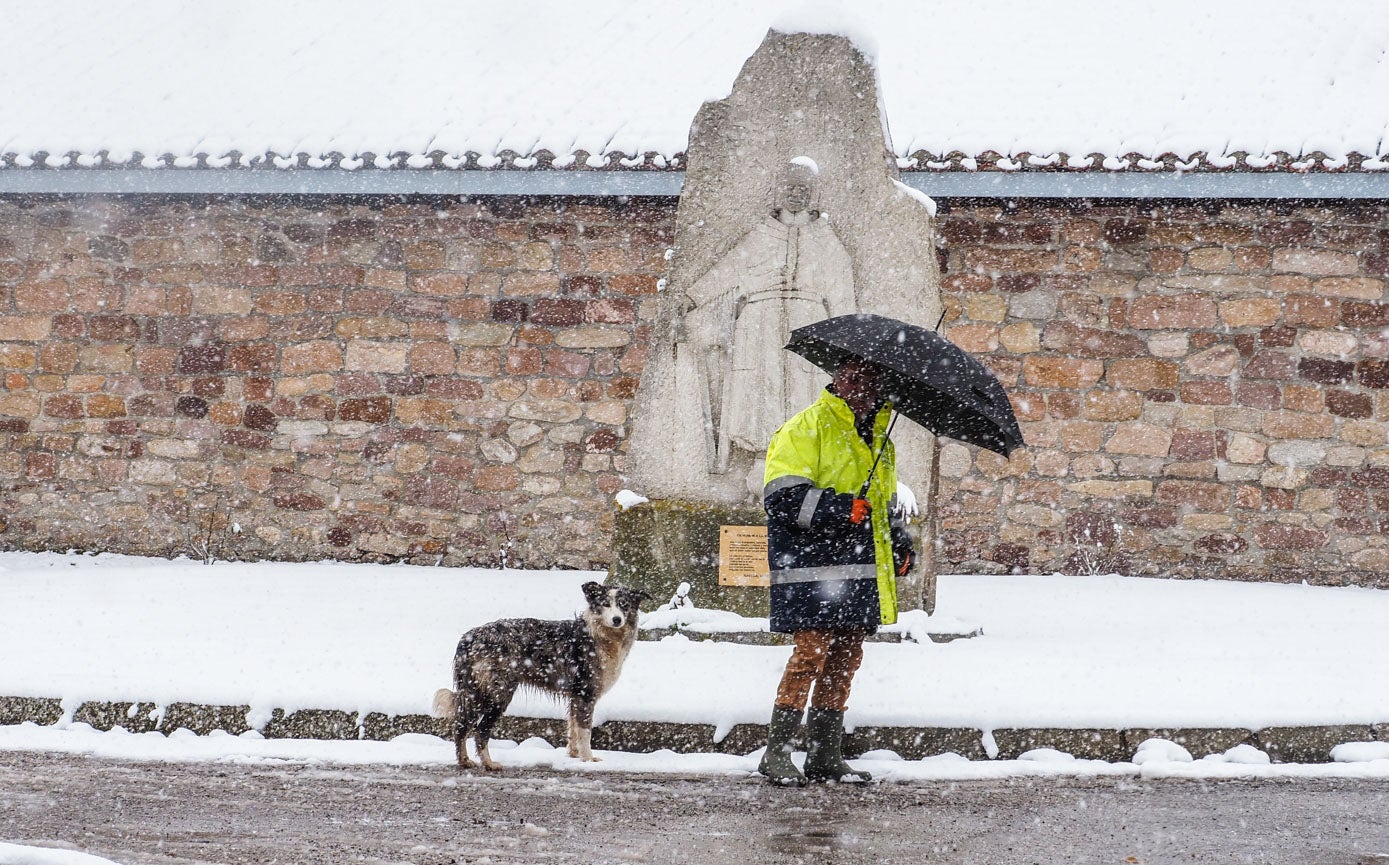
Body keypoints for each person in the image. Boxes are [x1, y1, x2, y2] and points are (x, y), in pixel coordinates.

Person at [757, 356, 915, 785]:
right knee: (810, 657)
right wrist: (837, 508)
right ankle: (777, 753)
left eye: (870, 377)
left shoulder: (881, 439)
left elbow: (885, 507)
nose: (860, 385)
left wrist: (901, 545)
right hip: (813, 571)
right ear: (837, 381)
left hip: (860, 570)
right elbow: (780, 496)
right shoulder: (805, 428)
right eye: (852, 376)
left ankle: (825, 754)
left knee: (845, 661)